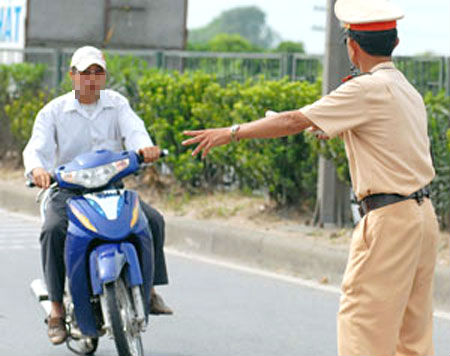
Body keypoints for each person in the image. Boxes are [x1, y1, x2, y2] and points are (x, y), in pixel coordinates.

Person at [182, 0, 440, 355]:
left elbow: (291, 120)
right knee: (411, 336)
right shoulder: (407, 91)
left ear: (352, 45)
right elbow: (384, 138)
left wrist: (232, 131)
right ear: (395, 43)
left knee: (363, 325)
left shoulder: (364, 89)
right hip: (423, 218)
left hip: (389, 221)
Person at [23, 46, 173, 346]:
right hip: (67, 191)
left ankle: (150, 289)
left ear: (104, 76)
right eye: (85, 73)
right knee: (53, 231)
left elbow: (136, 132)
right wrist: (37, 169)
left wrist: (146, 148)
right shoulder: (53, 111)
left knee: (153, 221)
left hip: (110, 188)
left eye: (98, 72)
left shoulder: (117, 104)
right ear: (72, 75)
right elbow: (34, 149)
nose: (92, 79)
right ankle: (55, 308)